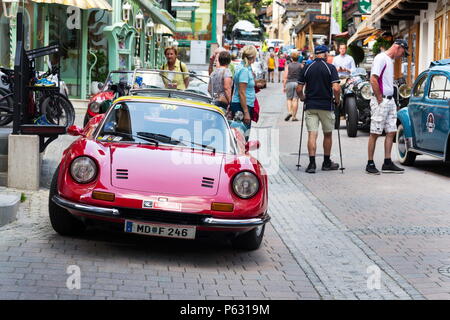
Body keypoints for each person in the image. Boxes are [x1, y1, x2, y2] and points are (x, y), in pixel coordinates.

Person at [296, 45, 341, 174]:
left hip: (311, 105)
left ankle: (311, 164)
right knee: (327, 134)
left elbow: (298, 89)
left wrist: (303, 98)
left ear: (316, 54)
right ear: (325, 54)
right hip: (326, 106)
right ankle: (326, 162)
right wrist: (337, 100)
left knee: (312, 134)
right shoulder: (330, 68)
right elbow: (336, 88)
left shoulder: (307, 67)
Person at [366, 39, 409, 175]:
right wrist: (379, 97)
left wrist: (393, 101)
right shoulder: (381, 58)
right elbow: (373, 79)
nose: (402, 55)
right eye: (402, 52)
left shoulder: (390, 61)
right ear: (397, 47)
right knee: (375, 132)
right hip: (381, 99)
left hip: (389, 100)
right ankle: (370, 163)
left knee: (391, 131)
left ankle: (387, 162)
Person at [230, 45, 258, 141]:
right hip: (242, 106)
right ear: (253, 57)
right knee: (242, 137)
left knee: (240, 135)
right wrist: (246, 112)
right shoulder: (244, 70)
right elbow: (242, 92)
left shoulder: (244, 67)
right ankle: (241, 155)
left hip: (243, 104)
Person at [283, 51, 302, 122]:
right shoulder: (301, 65)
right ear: (298, 58)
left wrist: (284, 86)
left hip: (289, 83)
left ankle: (290, 112)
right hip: (297, 83)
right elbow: (303, 76)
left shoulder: (288, 66)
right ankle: (294, 116)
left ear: (291, 58)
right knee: (295, 100)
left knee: (289, 99)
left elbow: (285, 76)